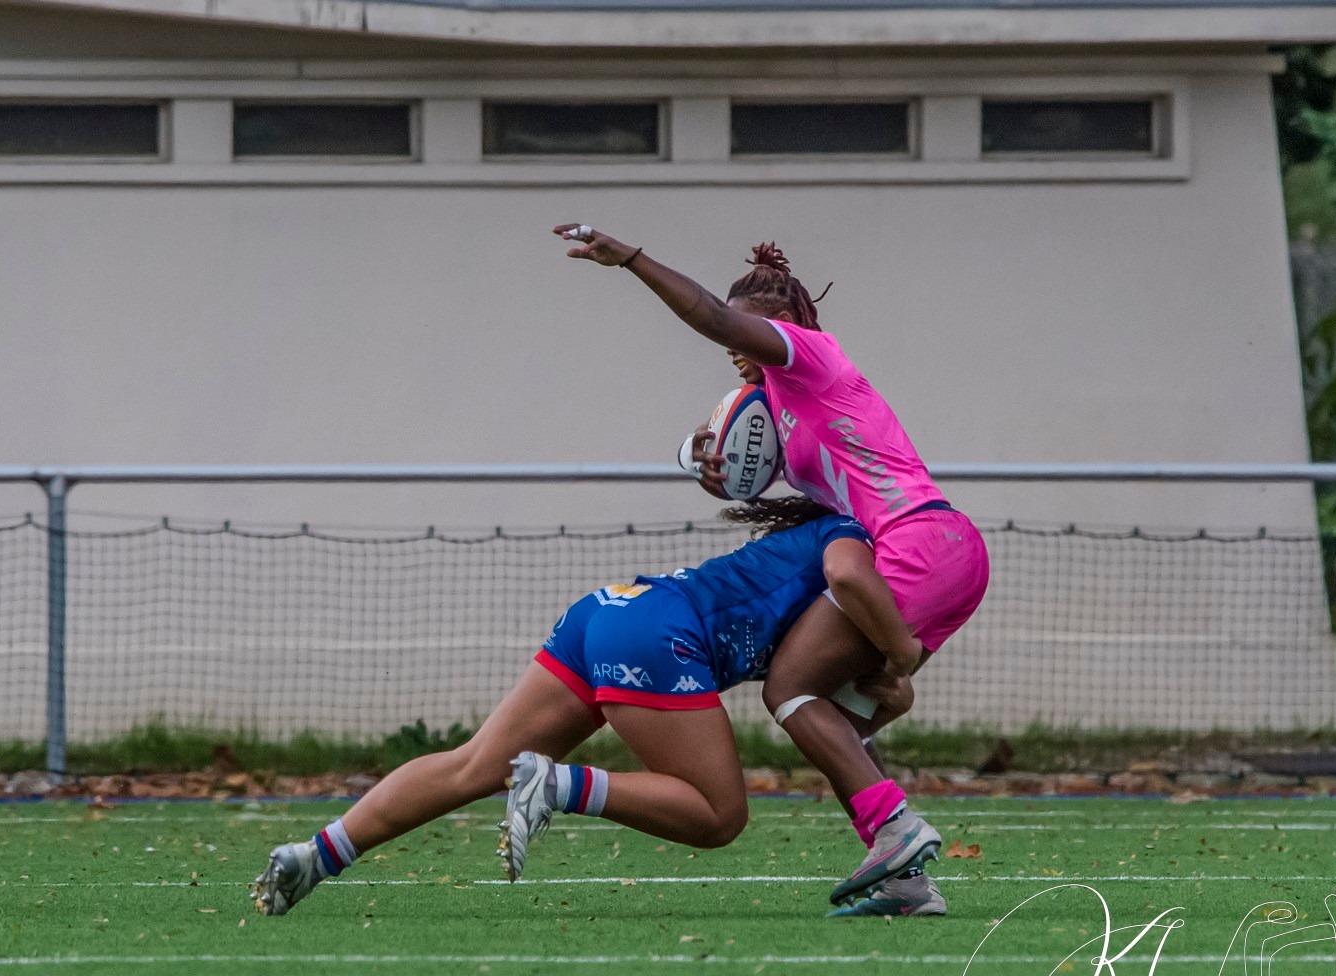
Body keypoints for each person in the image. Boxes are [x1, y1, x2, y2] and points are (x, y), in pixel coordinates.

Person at [552, 224, 989, 916]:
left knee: (790, 687)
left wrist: (632, 260)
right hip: (946, 549)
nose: (731, 344)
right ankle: (905, 881)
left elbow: (712, 316)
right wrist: (705, 465)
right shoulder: (785, 403)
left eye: (744, 329)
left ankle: (897, 830)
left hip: (913, 545)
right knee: (842, 710)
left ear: (782, 323)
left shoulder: (811, 355)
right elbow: (763, 474)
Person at [251, 499, 943, 919]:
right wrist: (903, 652)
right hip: (660, 631)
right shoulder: (851, 536)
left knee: (473, 764)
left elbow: (836, 709)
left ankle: (315, 855)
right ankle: (559, 784)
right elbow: (845, 590)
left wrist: (892, 681)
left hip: (610, 610)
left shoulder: (814, 548)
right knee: (719, 815)